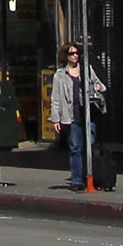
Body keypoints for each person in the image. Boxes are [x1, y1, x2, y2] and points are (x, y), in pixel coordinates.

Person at [51, 41, 89, 191]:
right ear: (65, 56)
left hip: (87, 113)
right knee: (75, 147)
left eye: (76, 53)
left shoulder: (86, 71)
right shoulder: (60, 75)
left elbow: (100, 85)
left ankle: (90, 175)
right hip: (71, 115)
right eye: (71, 53)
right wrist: (56, 119)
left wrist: (98, 87)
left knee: (89, 144)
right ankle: (77, 180)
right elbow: (55, 98)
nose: (75, 56)